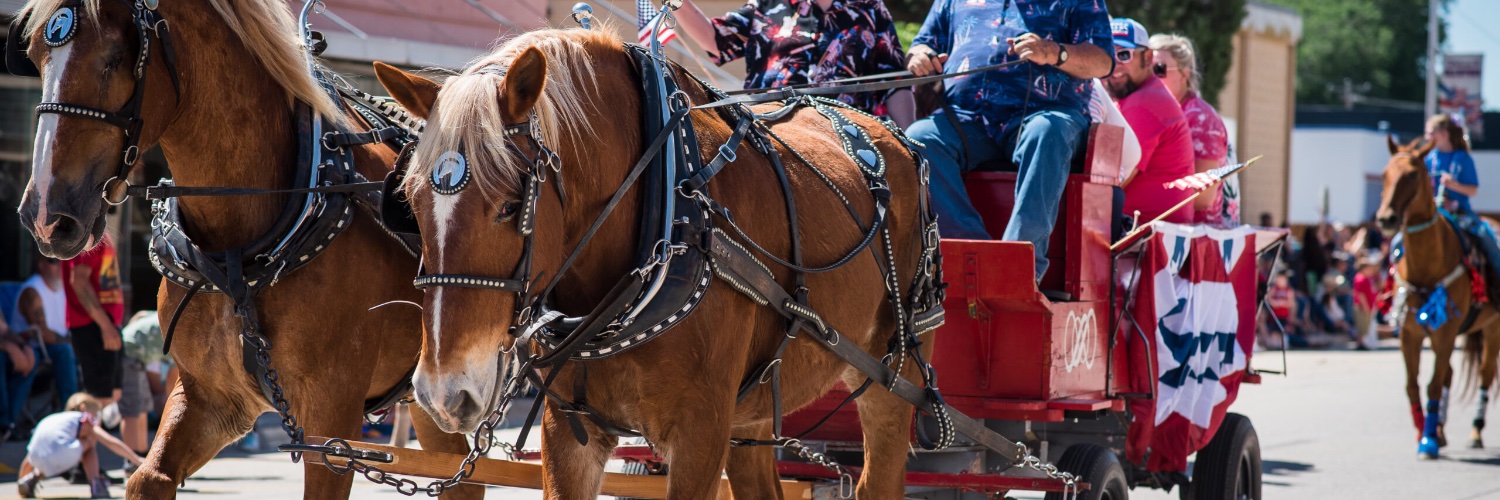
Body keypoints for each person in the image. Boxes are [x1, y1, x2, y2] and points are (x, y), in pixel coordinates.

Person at [904, 0, 1114, 280]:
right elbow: (922, 44)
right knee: (918, 138)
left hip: (1043, 114)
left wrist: (1053, 52)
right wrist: (919, 56)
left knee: (1047, 132)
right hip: (966, 118)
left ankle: (1018, 268)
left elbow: (1102, 60)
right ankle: (974, 255)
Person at [674, 0, 917, 126]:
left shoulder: (870, 8)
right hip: (770, 127)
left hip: (846, 133)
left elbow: (895, 81)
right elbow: (716, 39)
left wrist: (909, 146)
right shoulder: (767, 5)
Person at [1105, 19, 1194, 225]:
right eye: (1108, 53)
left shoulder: (1144, 103)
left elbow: (1117, 177)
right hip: (1147, 230)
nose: (1115, 64)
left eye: (1124, 54)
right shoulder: (1143, 95)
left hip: (1144, 236)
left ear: (1147, 58)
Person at [1148, 33, 1239, 227]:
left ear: (1184, 74)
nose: (1151, 77)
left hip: (1198, 241)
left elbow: (1203, 196)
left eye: (1159, 69)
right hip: (1174, 234)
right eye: (1145, 68)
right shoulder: (1159, 114)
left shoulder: (1200, 118)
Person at [16, 393, 143, 498]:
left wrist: (20, 479)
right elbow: (110, 442)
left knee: (45, 455)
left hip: (36, 457)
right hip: (64, 453)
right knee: (89, 443)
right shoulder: (83, 419)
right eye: (96, 414)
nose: (97, 419)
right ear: (83, 408)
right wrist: (137, 460)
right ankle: (96, 484)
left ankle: (30, 479)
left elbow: (30, 457)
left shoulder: (56, 419)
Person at [1424, 114, 1500, 280]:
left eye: (1430, 133)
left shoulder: (1463, 158)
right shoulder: (1429, 159)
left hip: (1461, 214)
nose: (1426, 137)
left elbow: (1473, 190)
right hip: (1433, 214)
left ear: (1444, 134)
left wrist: (1454, 185)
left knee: (1488, 241)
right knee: (1399, 242)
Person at [62, 235, 125, 416]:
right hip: (93, 325)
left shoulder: (100, 233)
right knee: (96, 398)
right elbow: (79, 282)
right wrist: (106, 327)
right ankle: (81, 441)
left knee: (113, 393)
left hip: (108, 324)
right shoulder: (86, 235)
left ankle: (89, 440)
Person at [12, 254, 81, 410]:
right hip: (31, 346)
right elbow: (44, 334)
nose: (59, 266)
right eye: (54, 262)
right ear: (41, 265)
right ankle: (73, 412)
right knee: (65, 351)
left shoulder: (63, 287)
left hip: (57, 345)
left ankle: (94, 411)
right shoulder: (33, 290)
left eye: (64, 262)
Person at [119, 311, 172, 475]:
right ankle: (131, 462)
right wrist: (170, 407)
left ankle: (140, 458)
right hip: (128, 354)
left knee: (142, 409)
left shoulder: (176, 316)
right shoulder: (183, 332)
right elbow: (174, 379)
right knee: (132, 411)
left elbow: (141, 315)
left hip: (137, 357)